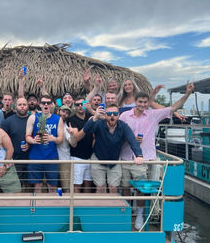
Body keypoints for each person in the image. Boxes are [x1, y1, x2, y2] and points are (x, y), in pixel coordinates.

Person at [119, 81, 194, 230]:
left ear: (148, 103)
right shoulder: (125, 115)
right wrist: (130, 139)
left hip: (143, 159)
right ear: (136, 101)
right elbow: (118, 133)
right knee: (125, 187)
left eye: (145, 102)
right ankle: (126, 213)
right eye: (140, 102)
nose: (142, 104)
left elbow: (174, 108)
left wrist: (187, 94)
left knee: (140, 189)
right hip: (125, 156)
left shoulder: (153, 115)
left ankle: (140, 215)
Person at [83, 103, 143, 194]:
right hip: (98, 159)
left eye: (115, 114)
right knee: (100, 187)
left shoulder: (123, 126)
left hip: (114, 161)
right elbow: (86, 130)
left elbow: (132, 140)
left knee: (113, 188)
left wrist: (139, 155)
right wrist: (95, 117)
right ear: (105, 115)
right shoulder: (99, 123)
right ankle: (101, 208)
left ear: (118, 115)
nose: (112, 116)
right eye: (109, 114)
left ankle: (113, 208)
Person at [25, 95, 64, 193]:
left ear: (51, 105)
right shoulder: (33, 117)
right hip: (36, 157)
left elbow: (60, 139)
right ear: (40, 104)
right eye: (43, 103)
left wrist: (53, 138)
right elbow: (27, 136)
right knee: (37, 186)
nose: (46, 104)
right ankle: (38, 207)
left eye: (48, 103)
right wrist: (33, 140)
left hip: (51, 157)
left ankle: (52, 206)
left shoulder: (58, 119)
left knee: (52, 186)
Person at [1, 97, 31, 191]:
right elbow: (2, 142)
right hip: (14, 161)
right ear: (15, 106)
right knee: (16, 188)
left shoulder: (33, 120)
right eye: (20, 105)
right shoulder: (8, 122)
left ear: (28, 106)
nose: (22, 107)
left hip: (32, 160)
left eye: (24, 105)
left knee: (30, 188)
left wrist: (30, 145)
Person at [68, 97, 94, 193]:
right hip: (77, 157)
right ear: (75, 107)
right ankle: (76, 207)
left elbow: (105, 118)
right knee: (77, 185)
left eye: (82, 104)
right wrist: (88, 124)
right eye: (77, 105)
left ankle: (86, 207)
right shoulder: (72, 119)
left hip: (90, 156)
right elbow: (76, 137)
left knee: (88, 184)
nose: (80, 106)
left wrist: (92, 112)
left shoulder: (90, 115)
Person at [56, 105, 78, 192]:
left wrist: (72, 134)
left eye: (67, 113)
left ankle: (67, 205)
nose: (65, 114)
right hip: (49, 159)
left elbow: (74, 144)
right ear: (58, 111)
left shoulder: (67, 127)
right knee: (51, 187)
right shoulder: (50, 123)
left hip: (64, 161)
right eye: (63, 111)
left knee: (66, 188)